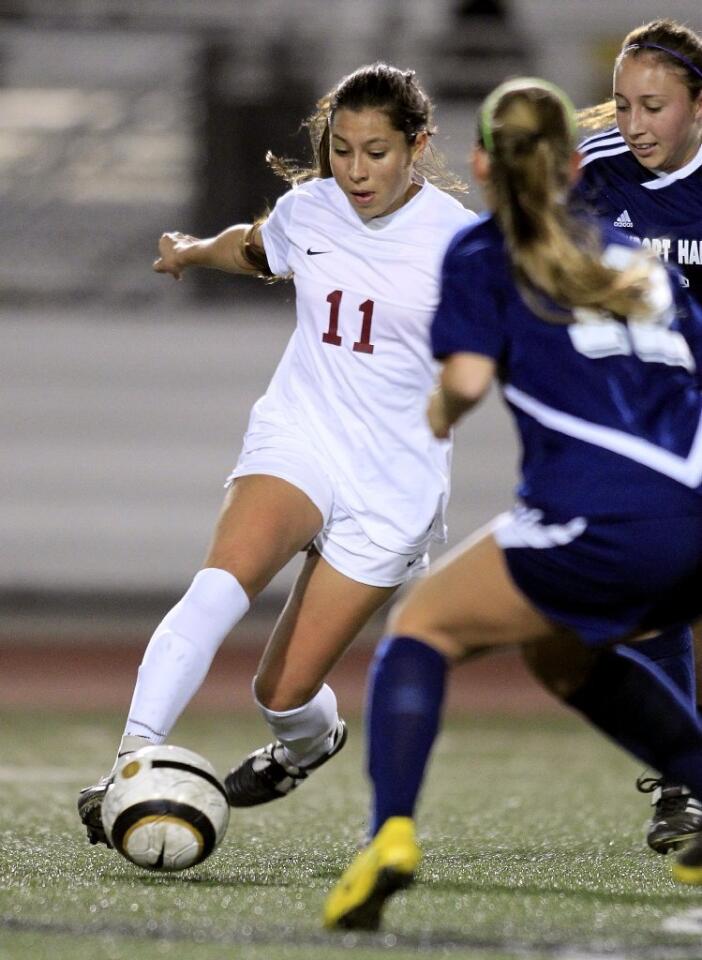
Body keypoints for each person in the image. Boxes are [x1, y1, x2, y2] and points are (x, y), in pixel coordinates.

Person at [323, 77, 702, 933]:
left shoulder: (483, 251)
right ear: (574, 164)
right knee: (559, 656)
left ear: (483, 162)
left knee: (421, 629)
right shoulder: (635, 254)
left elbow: (463, 378)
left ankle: (388, 836)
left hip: (606, 516)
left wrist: (440, 410)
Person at [76, 63, 477, 846]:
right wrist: (192, 250)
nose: (355, 171)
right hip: (303, 432)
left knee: (285, 691)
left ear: (418, 147)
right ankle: (129, 758)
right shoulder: (312, 207)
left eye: (378, 152)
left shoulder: (460, 246)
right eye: (343, 149)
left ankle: (306, 743)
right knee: (221, 583)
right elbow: (258, 250)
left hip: (393, 481)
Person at [561, 18, 702, 854]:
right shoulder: (592, 179)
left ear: (698, 106)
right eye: (622, 103)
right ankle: (685, 782)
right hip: (641, 428)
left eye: (653, 105)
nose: (635, 122)